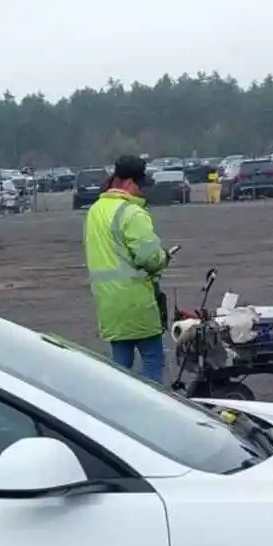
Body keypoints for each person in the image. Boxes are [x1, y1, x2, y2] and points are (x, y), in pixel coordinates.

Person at [83, 155, 175, 381]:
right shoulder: (132, 213)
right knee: (153, 358)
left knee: (120, 367)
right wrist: (164, 257)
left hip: (108, 304)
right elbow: (150, 259)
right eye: (140, 186)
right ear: (130, 183)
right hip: (137, 302)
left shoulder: (94, 211)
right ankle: (149, 407)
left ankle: (118, 408)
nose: (141, 192)